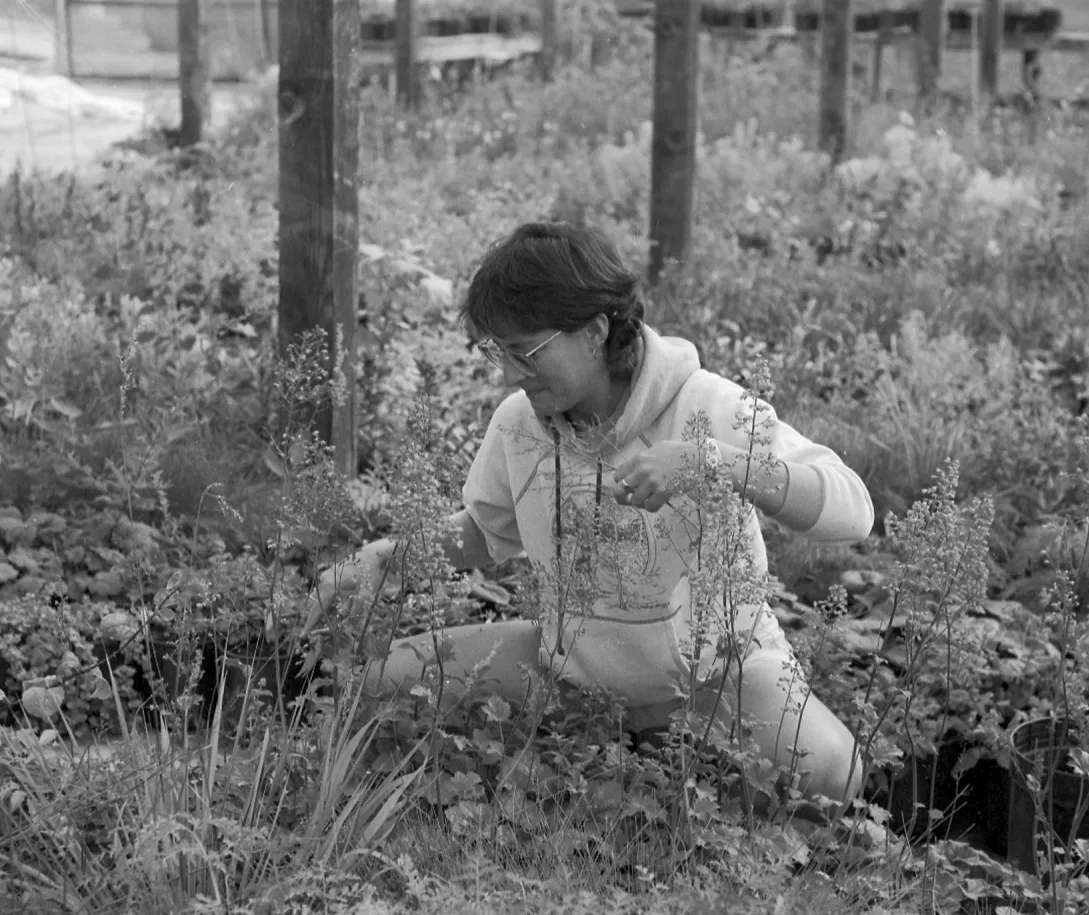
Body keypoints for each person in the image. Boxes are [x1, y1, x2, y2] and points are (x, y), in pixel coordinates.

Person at [316, 222, 875, 810]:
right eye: (495, 352)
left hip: (716, 681)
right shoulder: (518, 422)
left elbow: (852, 509)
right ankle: (626, 765)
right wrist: (386, 559)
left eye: (525, 351)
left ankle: (671, 776)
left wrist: (714, 463)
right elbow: (486, 532)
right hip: (570, 676)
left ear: (594, 331)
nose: (509, 373)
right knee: (378, 688)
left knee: (832, 770)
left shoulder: (708, 406)